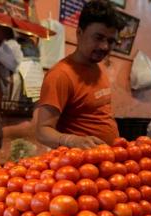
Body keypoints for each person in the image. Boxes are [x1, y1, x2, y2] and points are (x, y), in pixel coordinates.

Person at [35, 0, 125, 149]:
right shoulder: (60, 75)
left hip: (107, 160)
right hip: (81, 168)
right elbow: (42, 131)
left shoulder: (97, 68)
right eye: (98, 38)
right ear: (79, 33)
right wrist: (72, 140)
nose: (104, 47)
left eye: (111, 41)